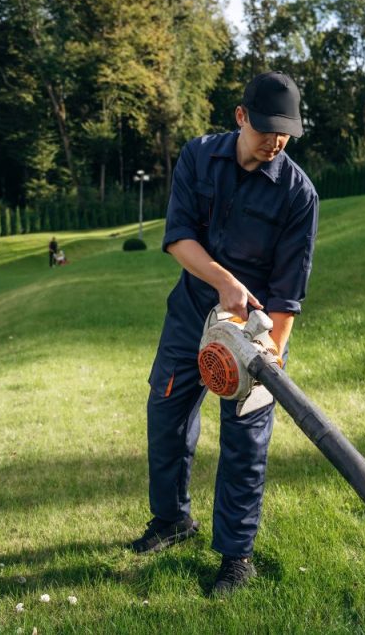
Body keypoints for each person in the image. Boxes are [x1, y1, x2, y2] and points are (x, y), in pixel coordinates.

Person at [130, 72, 319, 596]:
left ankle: (236, 557)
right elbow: (179, 238)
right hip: (192, 315)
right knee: (166, 414)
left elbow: (286, 295)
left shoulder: (299, 196)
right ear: (240, 117)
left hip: (253, 338)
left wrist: (271, 356)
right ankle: (171, 520)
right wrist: (224, 282)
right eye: (264, 129)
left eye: (285, 133)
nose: (274, 141)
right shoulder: (198, 158)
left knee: (245, 442)